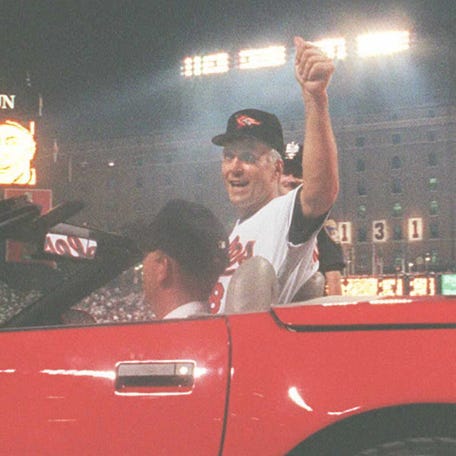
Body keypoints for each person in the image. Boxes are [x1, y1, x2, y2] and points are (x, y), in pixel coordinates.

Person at [209, 36, 339, 313]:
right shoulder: (240, 227)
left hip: (246, 353)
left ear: (276, 169)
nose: (235, 167)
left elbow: (320, 193)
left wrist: (315, 99)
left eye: (248, 157)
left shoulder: (282, 214)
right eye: (228, 156)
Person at [131, 199, 229, 319]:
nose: (143, 265)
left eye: (145, 255)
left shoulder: (162, 337)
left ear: (163, 267)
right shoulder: (229, 331)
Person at [279, 143, 346, 298]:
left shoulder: (319, 217)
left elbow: (333, 277)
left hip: (306, 310)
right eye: (286, 172)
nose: (290, 179)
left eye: (297, 173)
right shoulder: (265, 216)